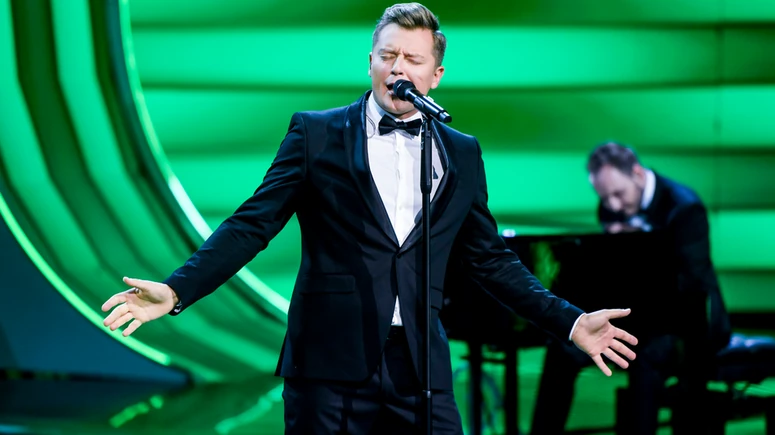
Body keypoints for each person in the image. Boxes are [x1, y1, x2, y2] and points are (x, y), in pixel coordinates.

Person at [101, 5, 638, 434]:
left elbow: (489, 258)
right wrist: (177, 291)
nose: (398, 68)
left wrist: (569, 322)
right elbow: (252, 224)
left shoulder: (460, 152)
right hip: (328, 365)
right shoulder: (316, 135)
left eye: (412, 59)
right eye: (388, 55)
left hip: (420, 367)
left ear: (435, 75)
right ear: (371, 63)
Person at [531, 142, 731, 434]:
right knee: (564, 349)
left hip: (686, 320)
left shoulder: (685, 209)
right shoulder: (612, 207)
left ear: (637, 173)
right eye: (604, 197)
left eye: (618, 194)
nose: (612, 206)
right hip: (637, 313)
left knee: (646, 356)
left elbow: (692, 283)